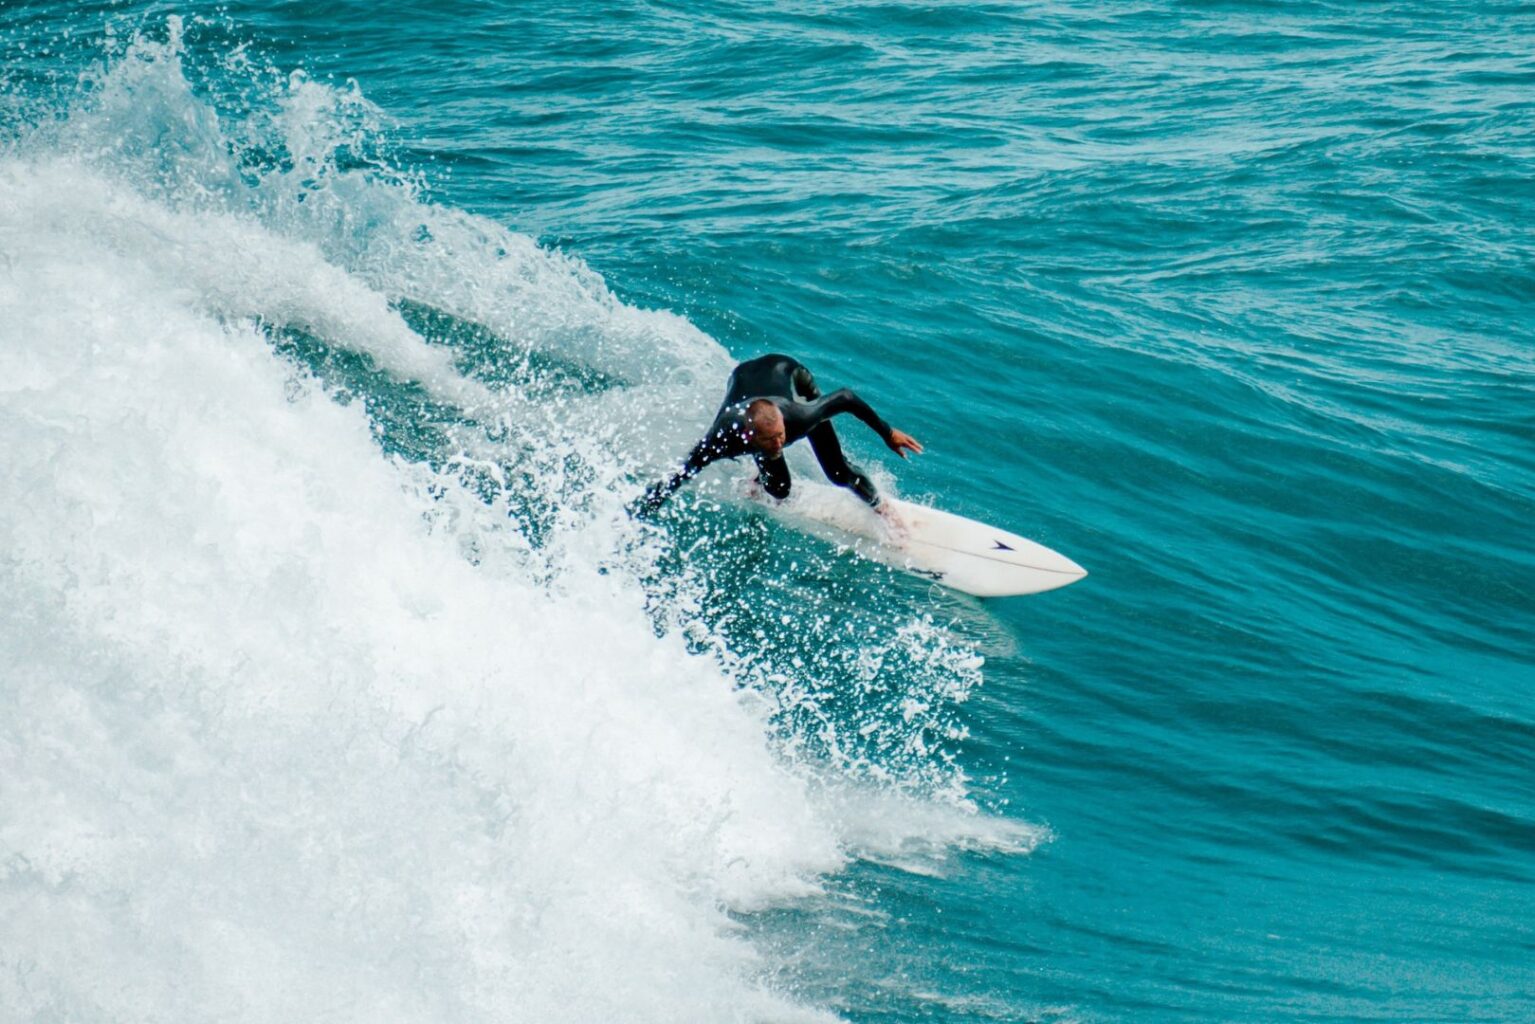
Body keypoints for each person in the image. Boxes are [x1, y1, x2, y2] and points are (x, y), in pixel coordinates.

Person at [636, 353, 922, 515]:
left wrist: (887, 433)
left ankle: (881, 508)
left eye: (780, 437)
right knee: (780, 490)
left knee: (837, 472)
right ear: (748, 436)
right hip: (742, 378)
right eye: (769, 440)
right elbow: (683, 472)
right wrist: (648, 505)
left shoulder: (798, 416)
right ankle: (759, 476)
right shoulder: (722, 439)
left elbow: (846, 398)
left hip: (789, 372)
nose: (779, 444)